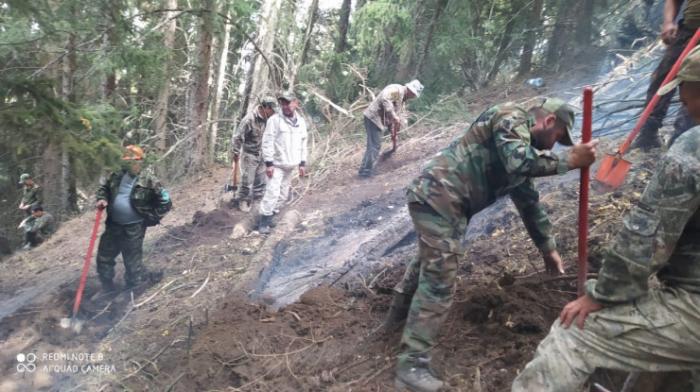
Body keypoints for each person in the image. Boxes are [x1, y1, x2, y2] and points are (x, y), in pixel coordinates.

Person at [512, 45, 700, 392]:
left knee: (574, 332)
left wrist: (604, 293)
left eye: (683, 88)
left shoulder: (693, 147)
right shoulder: (506, 122)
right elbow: (518, 176)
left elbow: (647, 234)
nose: (681, 101)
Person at [386, 98, 599, 392]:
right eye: (559, 137)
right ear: (549, 122)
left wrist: (547, 248)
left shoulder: (523, 151)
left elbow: (529, 204)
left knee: (429, 260)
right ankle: (411, 365)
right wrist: (569, 161)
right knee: (439, 280)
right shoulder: (510, 116)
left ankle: (394, 320)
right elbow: (520, 161)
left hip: (448, 205)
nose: (555, 146)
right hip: (437, 196)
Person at [94, 145, 171, 292]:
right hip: (113, 225)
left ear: (141, 161)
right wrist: (102, 199)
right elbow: (103, 188)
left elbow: (165, 200)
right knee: (104, 257)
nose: (132, 165)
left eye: (135, 162)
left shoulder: (149, 180)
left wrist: (152, 218)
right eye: (129, 162)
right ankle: (108, 289)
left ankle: (132, 291)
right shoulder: (116, 175)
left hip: (134, 228)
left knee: (132, 264)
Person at [632, 0, 700, 150]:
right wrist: (669, 22)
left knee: (694, 88)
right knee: (662, 79)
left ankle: (681, 142)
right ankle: (647, 136)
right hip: (687, 32)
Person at [257, 92, 308, 234]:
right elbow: (267, 142)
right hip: (276, 165)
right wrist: (269, 163)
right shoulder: (274, 120)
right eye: (283, 103)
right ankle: (263, 222)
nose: (285, 106)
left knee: (283, 195)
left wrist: (302, 163)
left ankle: (271, 215)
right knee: (272, 192)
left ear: (296, 103)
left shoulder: (301, 122)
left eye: (288, 102)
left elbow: (303, 143)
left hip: (290, 165)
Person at [358, 80, 424, 178]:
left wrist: (393, 129)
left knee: (373, 146)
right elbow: (386, 99)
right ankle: (366, 172)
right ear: (410, 90)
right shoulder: (398, 90)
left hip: (378, 119)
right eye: (413, 94)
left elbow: (392, 112)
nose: (413, 97)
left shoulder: (402, 99)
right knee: (374, 146)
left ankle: (364, 170)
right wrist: (394, 116)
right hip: (373, 117)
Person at [231, 96, 277, 212]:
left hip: (262, 154)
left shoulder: (269, 119)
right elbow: (237, 137)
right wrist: (236, 152)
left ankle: (257, 203)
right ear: (265, 107)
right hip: (250, 155)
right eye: (271, 109)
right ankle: (242, 201)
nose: (273, 112)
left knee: (260, 181)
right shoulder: (249, 119)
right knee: (247, 181)